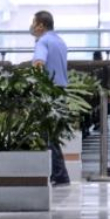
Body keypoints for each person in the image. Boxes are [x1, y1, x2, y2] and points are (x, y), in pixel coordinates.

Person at [29, 10, 71, 186]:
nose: (31, 26)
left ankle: (59, 175)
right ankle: (61, 174)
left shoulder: (43, 41)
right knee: (53, 135)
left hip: (48, 91)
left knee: (47, 135)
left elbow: (39, 63)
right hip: (61, 90)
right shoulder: (60, 41)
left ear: (41, 25)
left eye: (33, 22)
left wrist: (34, 83)